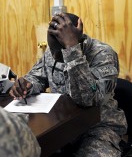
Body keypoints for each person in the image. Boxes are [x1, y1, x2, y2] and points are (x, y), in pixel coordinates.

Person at [9, 13, 127, 157]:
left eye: (58, 53)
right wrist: (26, 84)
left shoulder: (103, 54)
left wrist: (72, 50)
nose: (54, 57)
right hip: (63, 126)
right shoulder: (53, 51)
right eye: (52, 52)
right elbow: (36, 76)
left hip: (98, 126)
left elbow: (88, 100)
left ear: (77, 39)